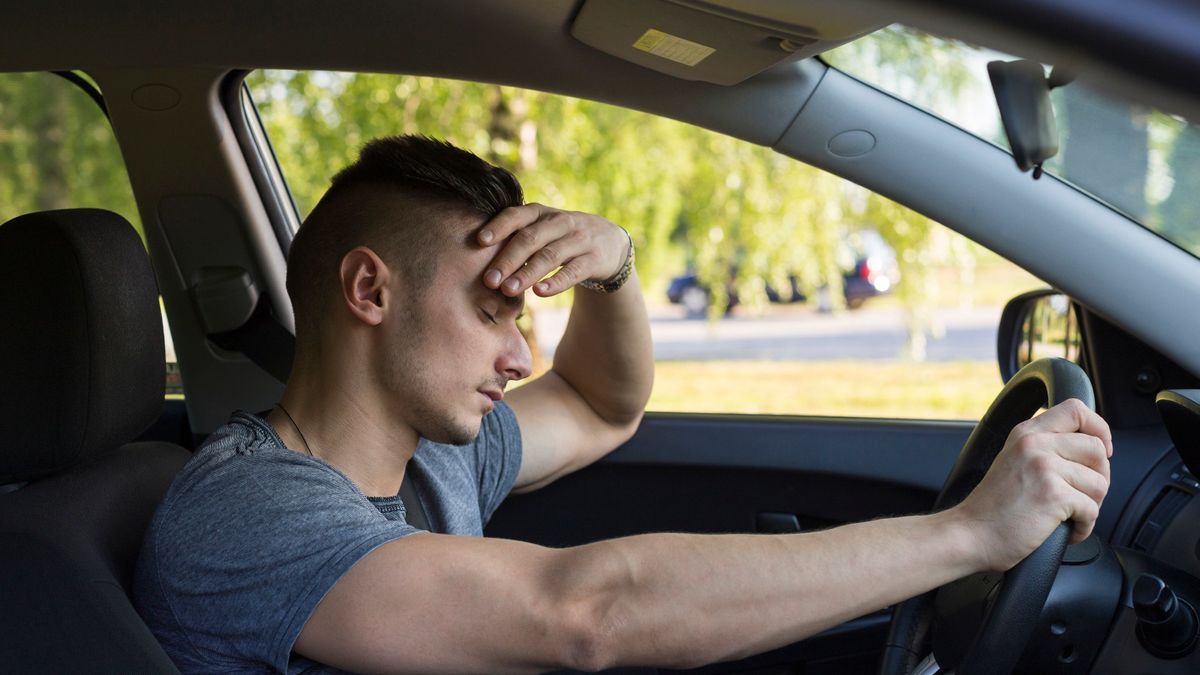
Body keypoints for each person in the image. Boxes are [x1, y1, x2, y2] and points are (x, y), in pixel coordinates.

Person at [134, 135, 1113, 673]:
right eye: (492, 310)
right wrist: (969, 537)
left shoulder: (433, 453)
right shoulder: (246, 515)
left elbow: (603, 405)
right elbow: (585, 615)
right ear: (369, 291)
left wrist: (617, 270)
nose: (521, 354)